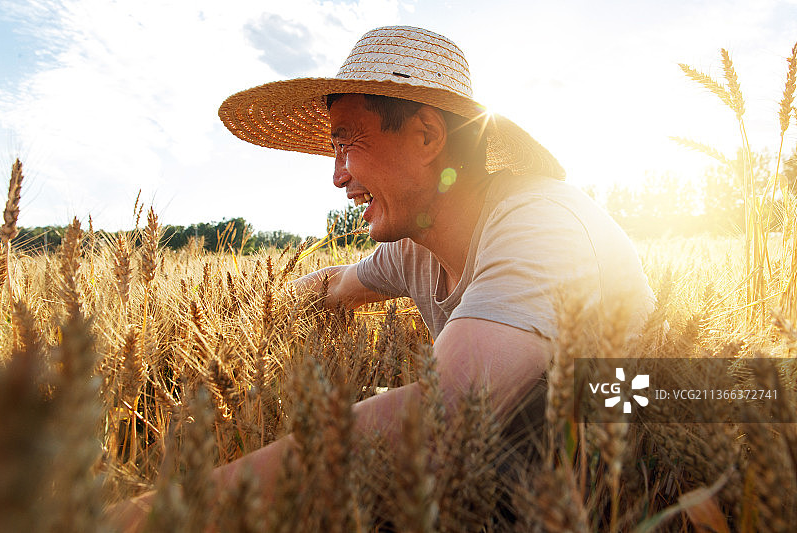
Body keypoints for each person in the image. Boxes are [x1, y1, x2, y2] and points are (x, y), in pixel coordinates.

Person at [114, 25, 654, 530]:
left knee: (503, 445)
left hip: (643, 440)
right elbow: (335, 286)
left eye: (347, 142)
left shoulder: (541, 224)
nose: (337, 176)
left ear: (426, 136)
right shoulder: (415, 243)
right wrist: (249, 306)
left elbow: (446, 415)